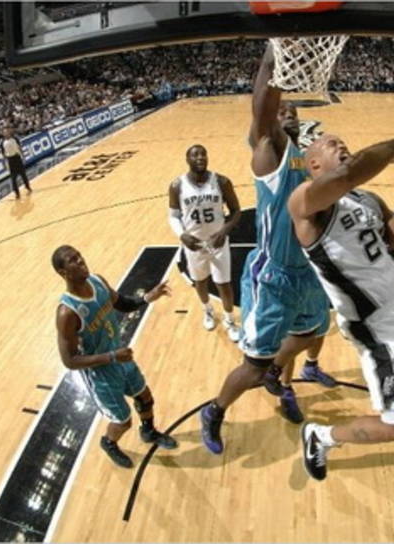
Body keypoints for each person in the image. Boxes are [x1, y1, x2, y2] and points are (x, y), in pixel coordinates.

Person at [287, 127, 394, 481]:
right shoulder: (305, 204)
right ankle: (321, 436)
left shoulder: (367, 199)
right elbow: (347, 174)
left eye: (343, 141)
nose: (341, 143)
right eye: (331, 144)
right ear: (314, 164)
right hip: (377, 325)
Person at [198, 44, 337, 454]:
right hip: (274, 274)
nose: (288, 112)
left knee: (308, 332)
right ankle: (215, 410)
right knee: (254, 366)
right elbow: (262, 110)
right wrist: (274, 55)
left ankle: (282, 378)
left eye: (293, 110)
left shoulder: (306, 158)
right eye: (281, 111)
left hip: (307, 271)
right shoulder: (269, 154)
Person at [53, 245, 178, 468]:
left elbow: (122, 303)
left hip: (120, 357)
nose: (80, 260)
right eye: (73, 260)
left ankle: (148, 432)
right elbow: (69, 361)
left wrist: (147, 298)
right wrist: (111, 357)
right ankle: (109, 443)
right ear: (63, 272)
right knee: (123, 421)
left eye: (79, 255)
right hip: (100, 374)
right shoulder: (67, 313)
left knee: (145, 397)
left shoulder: (97, 282)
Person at [168, 144, 242, 342]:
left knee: (224, 284)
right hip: (194, 244)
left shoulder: (221, 181)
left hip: (218, 242)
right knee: (200, 281)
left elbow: (236, 211)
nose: (200, 157)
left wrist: (224, 231)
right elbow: (173, 216)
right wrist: (182, 235)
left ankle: (229, 319)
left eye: (203, 154)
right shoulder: (177, 185)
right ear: (187, 160)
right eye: (195, 155)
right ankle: (207, 310)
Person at [0, 127, 31, 199]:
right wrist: (4, 163)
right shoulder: (2, 143)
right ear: (3, 134)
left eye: (7, 132)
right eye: (5, 132)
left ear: (9, 132)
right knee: (13, 178)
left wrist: (23, 156)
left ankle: (27, 186)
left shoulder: (15, 139)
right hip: (10, 160)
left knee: (23, 174)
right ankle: (17, 193)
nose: (6, 133)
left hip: (17, 157)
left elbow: (19, 148)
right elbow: (3, 154)